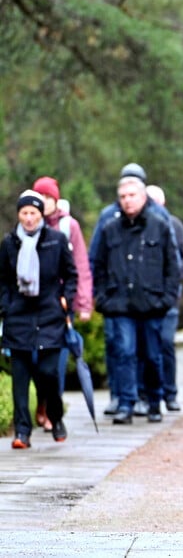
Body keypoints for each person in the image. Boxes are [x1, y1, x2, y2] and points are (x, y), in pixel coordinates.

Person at [89, 162, 179, 416]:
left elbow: (173, 263)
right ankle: (126, 402)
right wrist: (102, 297)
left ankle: (153, 401)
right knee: (124, 352)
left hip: (151, 302)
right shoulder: (109, 225)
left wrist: (168, 298)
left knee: (152, 355)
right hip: (120, 303)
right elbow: (97, 262)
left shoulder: (159, 223)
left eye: (132, 196)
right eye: (123, 196)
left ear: (143, 196)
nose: (127, 201)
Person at [1, 191, 77, 449]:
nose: (29, 218)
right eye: (24, 213)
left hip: (49, 315)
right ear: (19, 215)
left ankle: (55, 417)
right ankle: (22, 432)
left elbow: (71, 273)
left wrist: (65, 299)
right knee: (20, 377)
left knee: (48, 373)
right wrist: (6, 305)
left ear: (41, 214)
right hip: (19, 316)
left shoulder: (56, 240)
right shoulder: (9, 243)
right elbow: (3, 279)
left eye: (34, 213)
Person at [31, 176, 92, 432]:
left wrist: (84, 302)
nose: (44, 202)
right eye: (40, 197)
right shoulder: (28, 223)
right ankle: (42, 403)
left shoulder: (69, 226)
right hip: (32, 304)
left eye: (48, 197)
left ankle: (51, 410)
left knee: (56, 361)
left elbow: (80, 265)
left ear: (55, 199)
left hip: (61, 304)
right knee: (33, 360)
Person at [145, 185, 183, 412]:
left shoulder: (174, 225)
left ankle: (170, 392)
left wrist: (175, 277)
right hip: (145, 298)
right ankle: (145, 394)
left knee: (165, 343)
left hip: (169, 298)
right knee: (145, 348)